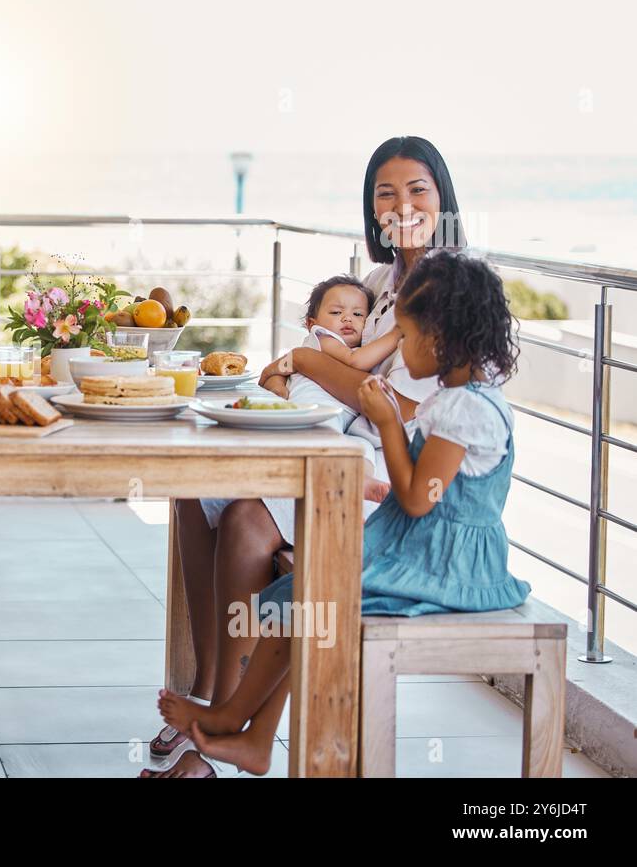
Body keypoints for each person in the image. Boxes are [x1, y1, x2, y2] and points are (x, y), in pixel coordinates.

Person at [142, 135, 466, 778]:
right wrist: (288, 376)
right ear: (372, 209)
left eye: (417, 189)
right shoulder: (378, 281)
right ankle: (209, 699)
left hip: (396, 482)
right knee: (196, 495)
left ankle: (223, 725)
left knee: (244, 520)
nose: (401, 204)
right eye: (385, 192)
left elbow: (399, 410)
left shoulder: (454, 287)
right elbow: (348, 374)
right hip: (339, 450)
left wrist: (310, 361)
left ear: (443, 197)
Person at [156, 249, 529, 775]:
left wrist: (389, 425)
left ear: (441, 340)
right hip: (419, 548)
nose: (397, 349)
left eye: (405, 336)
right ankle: (253, 735)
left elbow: (419, 496)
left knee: (311, 598)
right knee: (300, 593)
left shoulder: (467, 410)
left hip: (447, 565)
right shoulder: (454, 398)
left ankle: (234, 715)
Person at [261, 274, 397, 502]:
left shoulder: (360, 345)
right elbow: (356, 361)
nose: (347, 319)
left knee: (362, 446)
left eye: (358, 314)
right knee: (326, 438)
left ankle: (362, 482)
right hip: (317, 407)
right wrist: (397, 334)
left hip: (346, 417)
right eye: (336, 313)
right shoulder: (324, 337)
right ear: (312, 323)